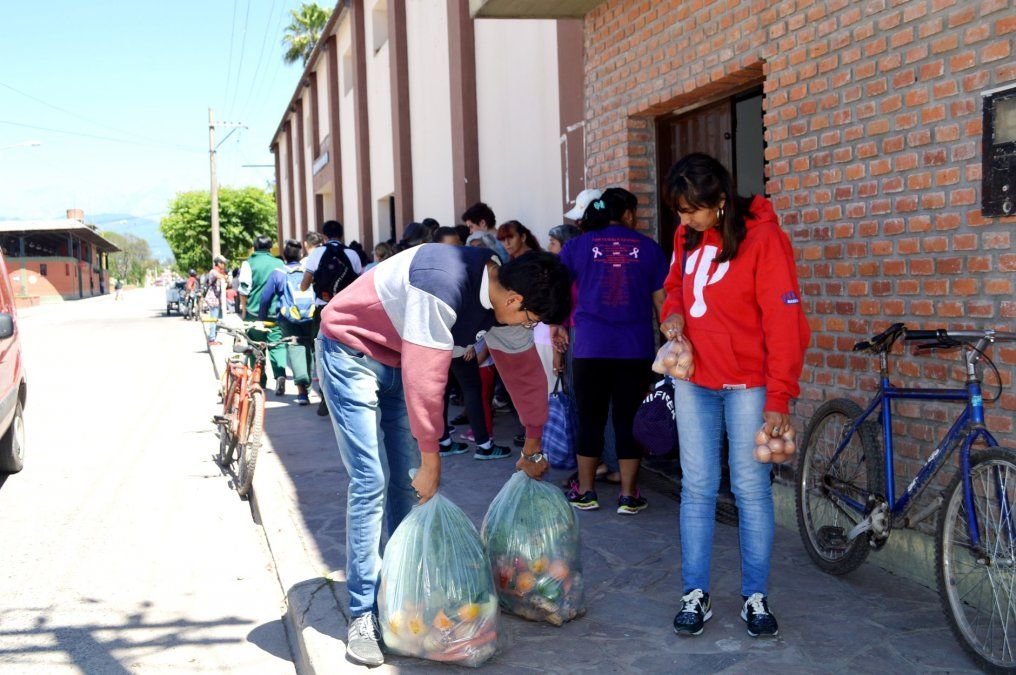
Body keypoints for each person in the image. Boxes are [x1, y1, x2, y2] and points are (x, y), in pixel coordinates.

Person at [316, 246, 571, 666]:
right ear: (514, 300)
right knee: (371, 480)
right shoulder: (442, 284)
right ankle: (362, 613)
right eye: (531, 319)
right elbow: (427, 379)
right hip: (351, 351)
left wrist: (533, 442)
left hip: (399, 361)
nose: (529, 327)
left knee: (406, 485)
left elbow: (523, 372)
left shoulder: (504, 303)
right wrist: (431, 458)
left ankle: (400, 593)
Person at [660, 153, 809, 640]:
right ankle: (695, 593)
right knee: (697, 487)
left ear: (720, 201)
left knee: (750, 489)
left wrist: (779, 397)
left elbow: (784, 323)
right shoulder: (686, 236)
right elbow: (675, 285)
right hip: (694, 380)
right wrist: (674, 314)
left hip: (749, 384)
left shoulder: (764, 239)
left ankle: (755, 596)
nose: (684, 221)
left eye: (691, 211)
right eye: (680, 212)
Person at [559, 188, 667, 515]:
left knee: (589, 418)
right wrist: (671, 345)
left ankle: (586, 492)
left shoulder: (575, 246)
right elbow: (661, 302)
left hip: (590, 347)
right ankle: (628, 495)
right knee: (627, 420)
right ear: (628, 214)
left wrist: (557, 325)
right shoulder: (649, 248)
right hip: (634, 349)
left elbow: (558, 291)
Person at [302, 221, 362, 414]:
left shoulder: (317, 253)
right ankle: (347, 392)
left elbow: (304, 284)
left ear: (324, 236)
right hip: (347, 311)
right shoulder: (352, 254)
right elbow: (359, 283)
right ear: (342, 235)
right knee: (348, 351)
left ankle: (326, 394)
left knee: (321, 352)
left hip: (323, 310)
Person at [259, 239, 315, 405]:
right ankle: (309, 386)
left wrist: (262, 318)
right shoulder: (307, 271)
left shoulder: (278, 273)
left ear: (284, 256)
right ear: (300, 255)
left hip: (288, 318)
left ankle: (302, 391)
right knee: (308, 348)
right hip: (310, 315)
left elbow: (265, 297)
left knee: (295, 348)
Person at [238, 236, 287, 393]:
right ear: (270, 247)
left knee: (256, 345)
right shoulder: (279, 263)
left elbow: (244, 289)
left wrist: (244, 310)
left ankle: (260, 380)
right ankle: (280, 375)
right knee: (277, 345)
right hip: (276, 313)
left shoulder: (248, 263)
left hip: (254, 312)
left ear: (254, 247)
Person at [205, 255, 228, 345]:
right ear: (219, 263)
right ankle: (212, 339)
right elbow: (220, 276)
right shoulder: (213, 271)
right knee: (213, 319)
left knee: (216, 319)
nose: (224, 265)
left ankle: (213, 337)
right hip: (212, 299)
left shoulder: (218, 272)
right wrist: (225, 277)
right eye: (223, 263)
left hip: (216, 300)